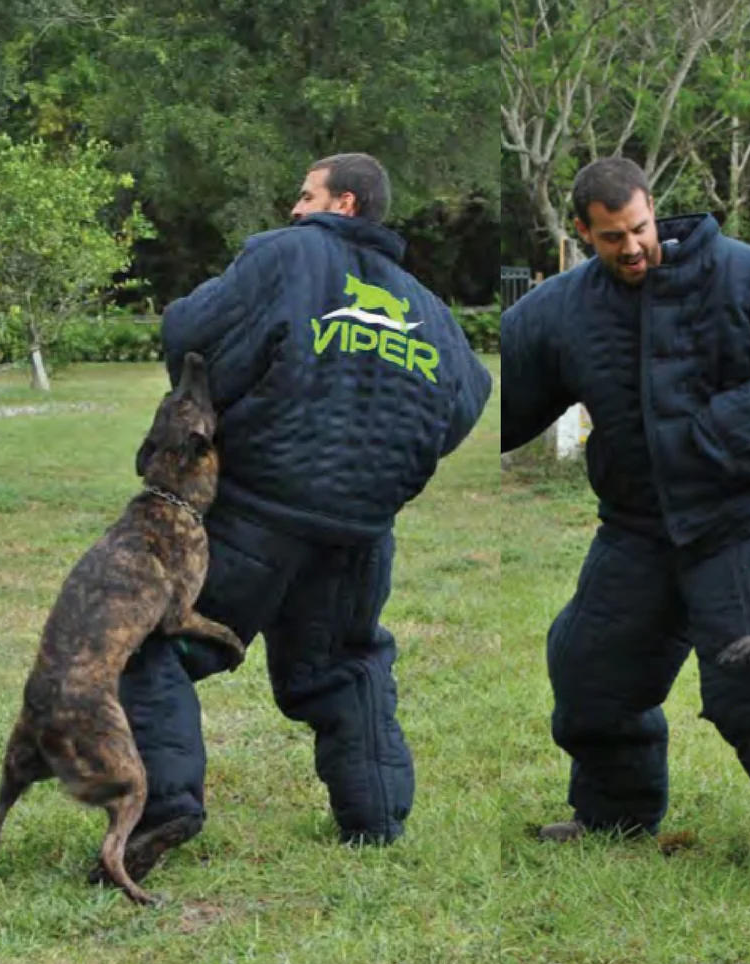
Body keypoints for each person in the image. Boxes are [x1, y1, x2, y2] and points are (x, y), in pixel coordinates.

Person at [105, 153, 492, 883]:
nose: (292, 208)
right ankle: (375, 820)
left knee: (144, 643)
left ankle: (164, 808)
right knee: (342, 664)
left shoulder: (283, 256)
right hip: (360, 530)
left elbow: (191, 331)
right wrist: (383, 476)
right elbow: (467, 398)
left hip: (255, 515)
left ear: (341, 202)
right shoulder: (429, 309)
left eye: (304, 194)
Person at [501, 157, 750, 890]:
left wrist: (703, 431)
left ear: (655, 212)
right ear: (584, 233)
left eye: (640, 229)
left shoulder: (749, 276)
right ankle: (614, 809)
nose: (632, 248)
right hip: (640, 523)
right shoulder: (567, 308)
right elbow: (496, 386)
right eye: (612, 238)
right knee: (589, 663)